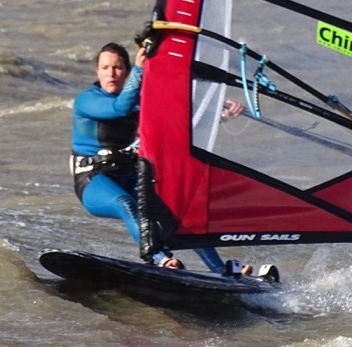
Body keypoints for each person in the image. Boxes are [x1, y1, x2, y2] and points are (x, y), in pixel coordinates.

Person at [70, 41, 244, 272]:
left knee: (176, 213)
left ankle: (222, 271)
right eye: (105, 68)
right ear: (97, 72)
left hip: (128, 175)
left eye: (118, 67)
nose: (111, 74)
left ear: (126, 72)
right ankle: (160, 258)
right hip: (93, 180)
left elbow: (178, 126)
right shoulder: (87, 101)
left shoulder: (138, 102)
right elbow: (119, 108)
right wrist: (140, 70)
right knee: (126, 204)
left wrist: (219, 116)